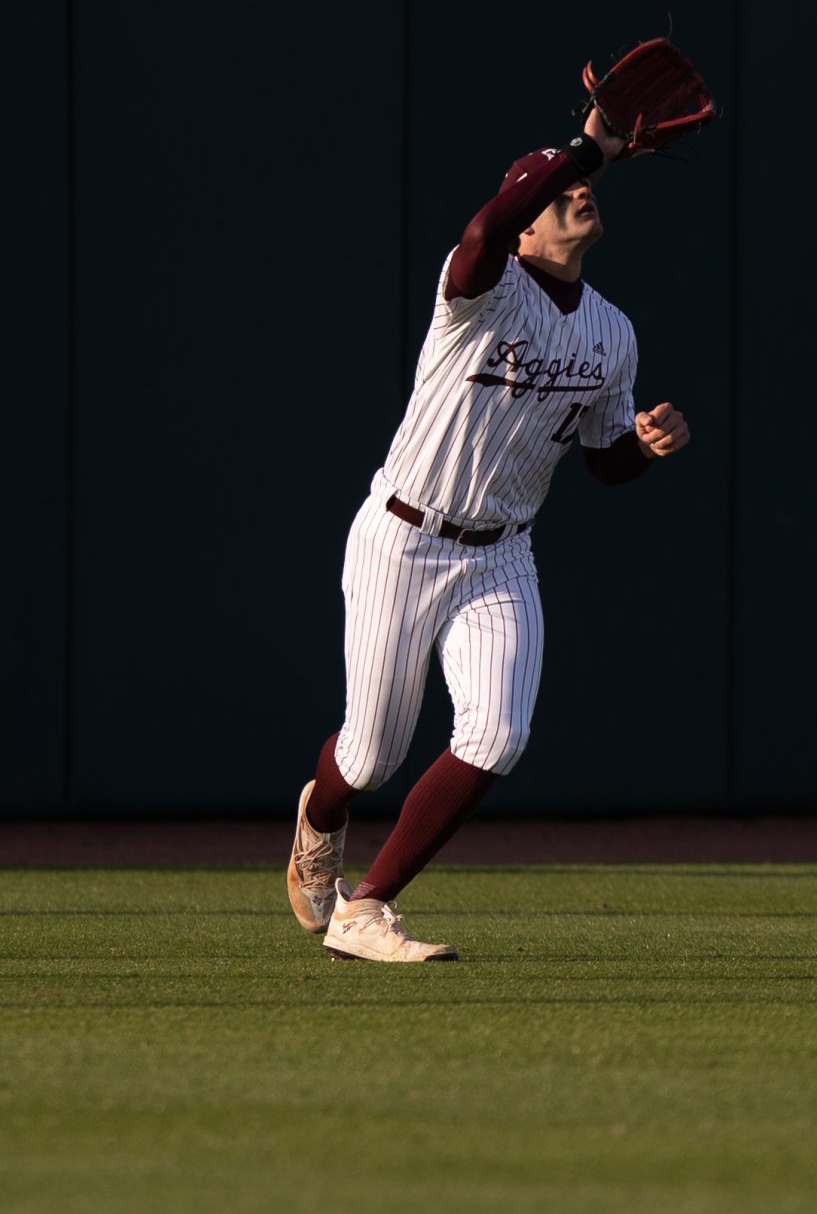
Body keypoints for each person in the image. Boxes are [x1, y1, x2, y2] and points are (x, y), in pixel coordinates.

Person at [287, 100, 693, 961]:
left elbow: (603, 461)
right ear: (524, 228)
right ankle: (320, 819)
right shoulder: (479, 286)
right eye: (561, 192)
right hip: (404, 536)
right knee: (369, 755)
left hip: (501, 554)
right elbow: (486, 224)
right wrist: (592, 147)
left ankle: (365, 910)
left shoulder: (612, 332)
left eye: (584, 186)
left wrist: (644, 447)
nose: (579, 193)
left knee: (497, 736)